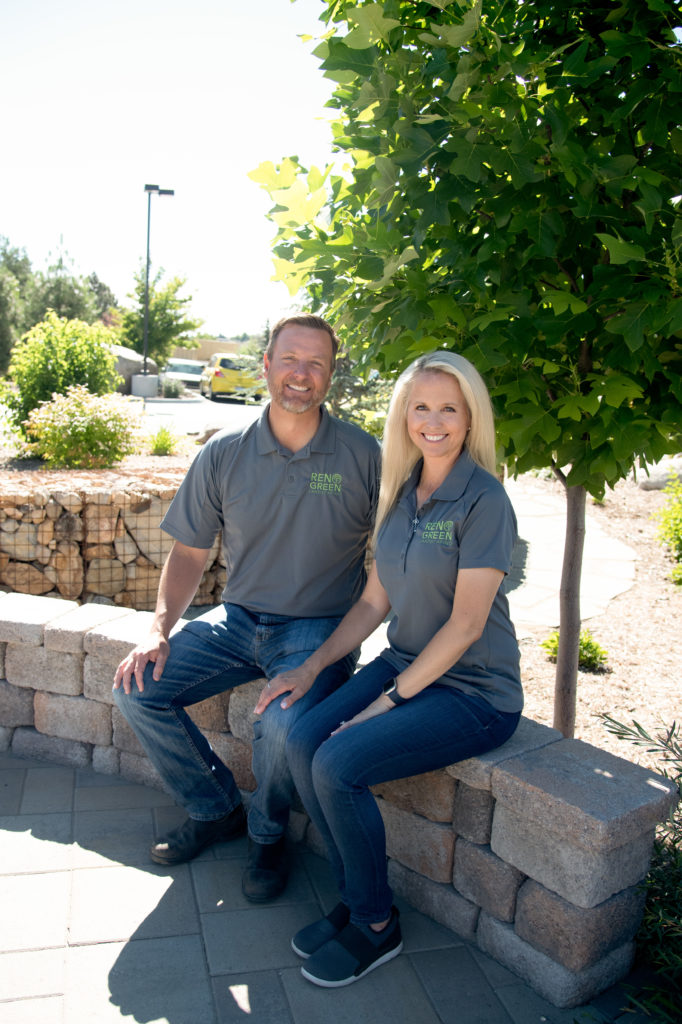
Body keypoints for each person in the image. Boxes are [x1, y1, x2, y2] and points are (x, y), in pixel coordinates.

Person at [256, 350, 523, 987]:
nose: (432, 421)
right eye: (420, 407)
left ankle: (375, 924)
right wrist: (313, 665)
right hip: (405, 660)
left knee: (338, 762)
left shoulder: (485, 500)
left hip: (473, 691)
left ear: (469, 418)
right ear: (404, 415)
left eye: (448, 409)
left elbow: (464, 626)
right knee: (297, 739)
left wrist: (386, 704)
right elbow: (376, 600)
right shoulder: (404, 492)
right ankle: (355, 897)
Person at [113, 314, 380, 902]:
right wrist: (158, 628)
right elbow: (188, 552)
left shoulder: (363, 455)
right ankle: (214, 809)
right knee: (135, 688)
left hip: (318, 631)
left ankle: (267, 833)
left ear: (331, 375)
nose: (301, 374)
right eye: (290, 360)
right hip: (237, 623)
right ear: (266, 365)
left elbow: (393, 559)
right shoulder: (225, 453)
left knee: (281, 721)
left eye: (316, 363)